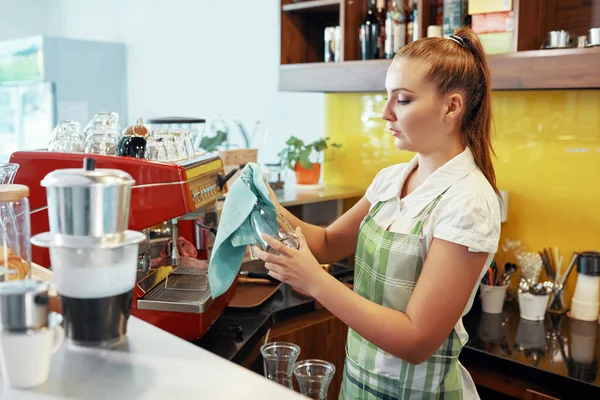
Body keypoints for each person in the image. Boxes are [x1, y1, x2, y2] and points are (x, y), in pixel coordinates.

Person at [255, 26, 501, 399]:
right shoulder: (392, 180)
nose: (385, 113)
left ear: (452, 106)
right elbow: (326, 242)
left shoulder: (469, 202)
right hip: (359, 385)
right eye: (387, 98)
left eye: (402, 100)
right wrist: (263, 203)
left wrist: (316, 282)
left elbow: (416, 341)